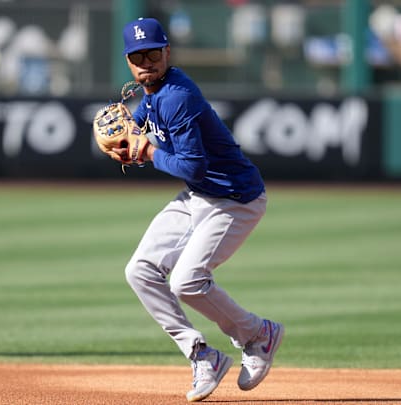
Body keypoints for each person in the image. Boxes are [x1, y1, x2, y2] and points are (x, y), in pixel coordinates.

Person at [116, 17, 284, 402]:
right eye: (137, 56)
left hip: (235, 199)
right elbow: (135, 130)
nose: (146, 61)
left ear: (167, 53)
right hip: (199, 197)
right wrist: (126, 137)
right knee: (139, 271)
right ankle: (201, 354)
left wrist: (146, 151)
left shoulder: (176, 95)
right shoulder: (153, 96)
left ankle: (259, 335)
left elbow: (193, 166)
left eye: (152, 53)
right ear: (128, 61)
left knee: (186, 281)